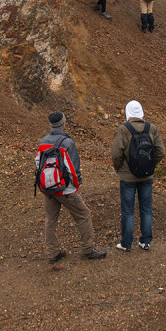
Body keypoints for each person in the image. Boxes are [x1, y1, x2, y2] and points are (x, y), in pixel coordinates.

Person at [36, 111, 107, 263]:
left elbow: (38, 163)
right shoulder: (67, 143)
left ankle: (53, 253)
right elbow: (73, 168)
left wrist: (45, 183)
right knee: (84, 214)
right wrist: (75, 186)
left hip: (48, 189)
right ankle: (88, 249)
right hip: (65, 190)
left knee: (51, 219)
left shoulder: (43, 142)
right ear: (63, 124)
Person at [111, 100, 165, 251]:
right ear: (141, 112)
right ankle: (145, 241)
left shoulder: (123, 129)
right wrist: (151, 165)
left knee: (128, 211)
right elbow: (161, 152)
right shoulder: (151, 128)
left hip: (128, 178)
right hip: (147, 177)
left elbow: (116, 154)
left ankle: (126, 243)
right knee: (146, 209)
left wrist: (120, 169)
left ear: (127, 112)